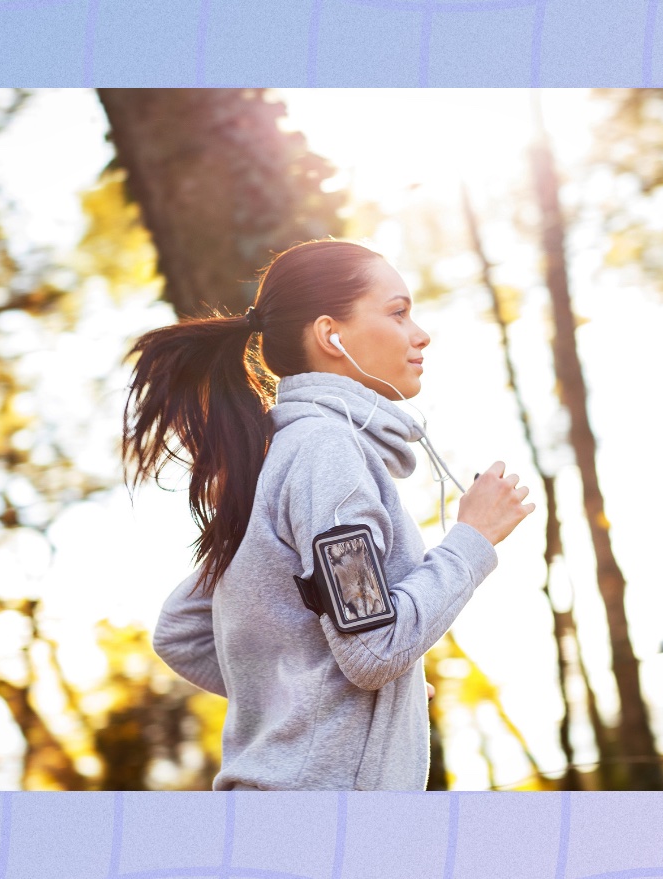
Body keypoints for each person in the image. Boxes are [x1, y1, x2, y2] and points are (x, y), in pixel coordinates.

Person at [122, 238, 535, 790]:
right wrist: (473, 538)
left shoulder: (280, 457)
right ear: (330, 335)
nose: (421, 333)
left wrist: (360, 696)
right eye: (398, 311)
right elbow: (373, 648)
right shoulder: (326, 454)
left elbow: (182, 628)